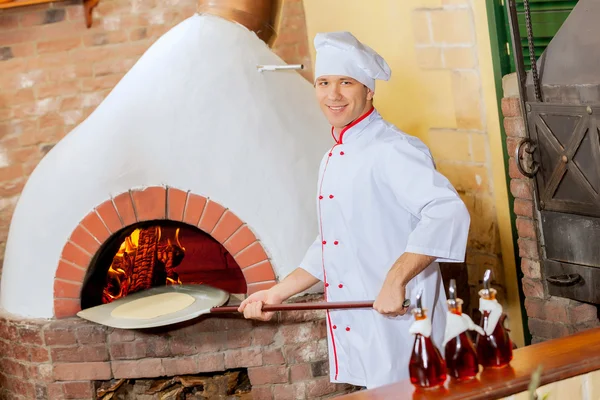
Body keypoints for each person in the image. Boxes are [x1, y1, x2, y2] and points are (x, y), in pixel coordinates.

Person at [238, 31, 470, 389]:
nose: (333, 94)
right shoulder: (332, 158)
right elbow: (333, 243)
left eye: (346, 82)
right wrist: (277, 293)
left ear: (368, 90)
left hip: (402, 324)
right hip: (363, 325)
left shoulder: (393, 148)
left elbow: (447, 212)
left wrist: (395, 280)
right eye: (324, 82)